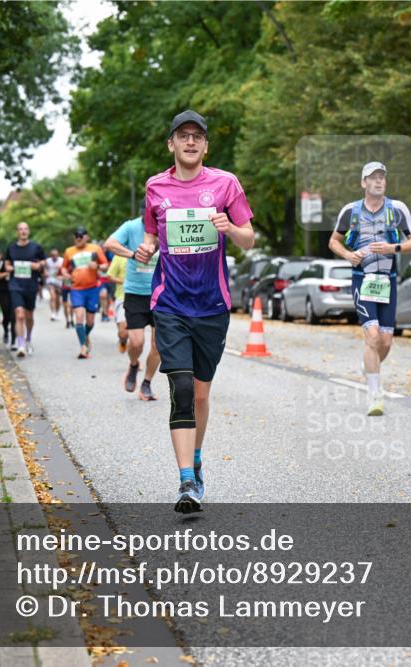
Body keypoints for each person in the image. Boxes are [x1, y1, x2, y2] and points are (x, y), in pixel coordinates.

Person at [135, 110, 255, 513]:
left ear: (205, 145)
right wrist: (146, 248)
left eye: (197, 137)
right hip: (169, 303)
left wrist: (229, 229)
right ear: (171, 143)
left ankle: (197, 458)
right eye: (183, 136)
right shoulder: (155, 187)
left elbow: (249, 240)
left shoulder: (225, 184)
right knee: (182, 389)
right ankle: (187, 481)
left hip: (212, 305)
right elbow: (152, 235)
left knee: (201, 392)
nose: (190, 142)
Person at [328, 162, 411, 416]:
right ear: (363, 183)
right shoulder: (350, 212)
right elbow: (333, 241)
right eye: (372, 178)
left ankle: (368, 364)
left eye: (381, 177)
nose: (378, 181)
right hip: (362, 279)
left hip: (388, 280)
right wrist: (349, 255)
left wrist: (394, 248)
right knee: (373, 336)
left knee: (386, 341)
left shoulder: (397, 209)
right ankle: (374, 395)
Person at [104, 210, 162, 401]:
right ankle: (134, 364)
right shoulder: (130, 227)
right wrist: (133, 254)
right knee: (136, 342)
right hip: (135, 293)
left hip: (161, 294)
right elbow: (110, 244)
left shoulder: (166, 225)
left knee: (158, 345)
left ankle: (146, 383)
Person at [61, 226, 108, 359]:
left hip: (92, 289)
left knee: (90, 322)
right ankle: (83, 347)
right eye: (76, 236)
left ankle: (85, 334)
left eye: (81, 236)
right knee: (79, 316)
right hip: (76, 289)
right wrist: (66, 274)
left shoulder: (95, 249)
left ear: (86, 237)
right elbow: (63, 268)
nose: (78, 238)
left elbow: (105, 266)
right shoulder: (69, 251)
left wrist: (98, 266)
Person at [4, 222, 46, 357]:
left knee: (29, 316)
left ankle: (28, 338)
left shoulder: (36, 247)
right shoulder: (11, 248)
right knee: (19, 314)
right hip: (15, 285)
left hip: (31, 286)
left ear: (29, 231)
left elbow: (43, 262)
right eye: (20, 229)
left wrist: (38, 265)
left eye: (25, 229)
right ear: (17, 232)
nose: (23, 231)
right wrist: (10, 268)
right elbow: (7, 264)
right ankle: (20, 344)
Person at [45, 248, 64, 321]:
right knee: (53, 297)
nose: (54, 257)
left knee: (58, 300)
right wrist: (45, 272)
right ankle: (53, 313)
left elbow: (65, 269)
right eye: (52, 255)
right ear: (51, 256)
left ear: (58, 255)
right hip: (50, 281)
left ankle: (56, 313)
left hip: (59, 282)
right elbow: (44, 269)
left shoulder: (61, 260)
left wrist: (61, 269)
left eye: (55, 255)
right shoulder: (48, 261)